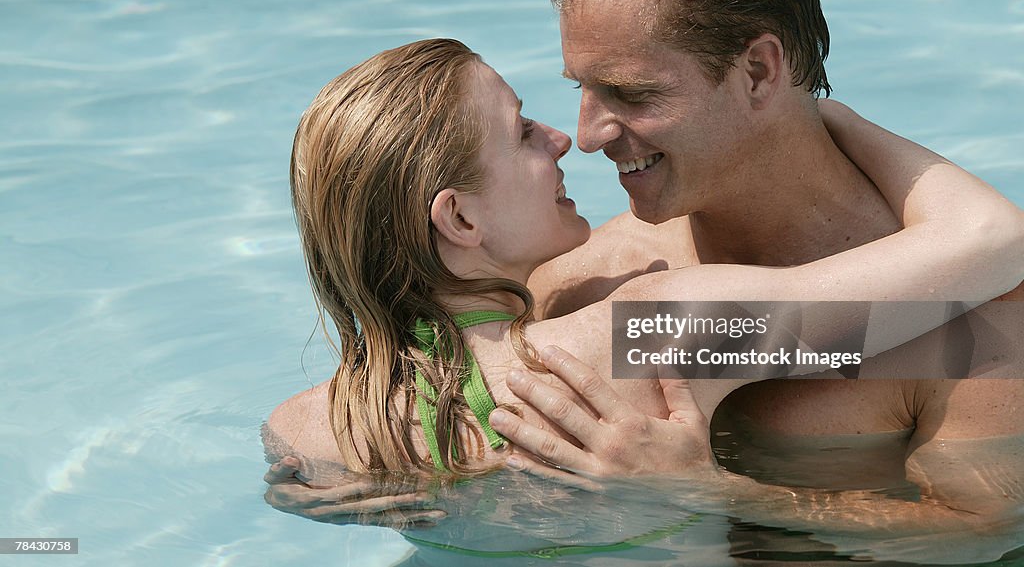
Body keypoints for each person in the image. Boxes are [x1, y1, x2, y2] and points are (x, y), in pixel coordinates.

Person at [264, 37, 1023, 542]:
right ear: (459, 217)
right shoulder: (655, 333)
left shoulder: (307, 433)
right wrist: (832, 115)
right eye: (523, 131)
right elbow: (989, 243)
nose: (564, 137)